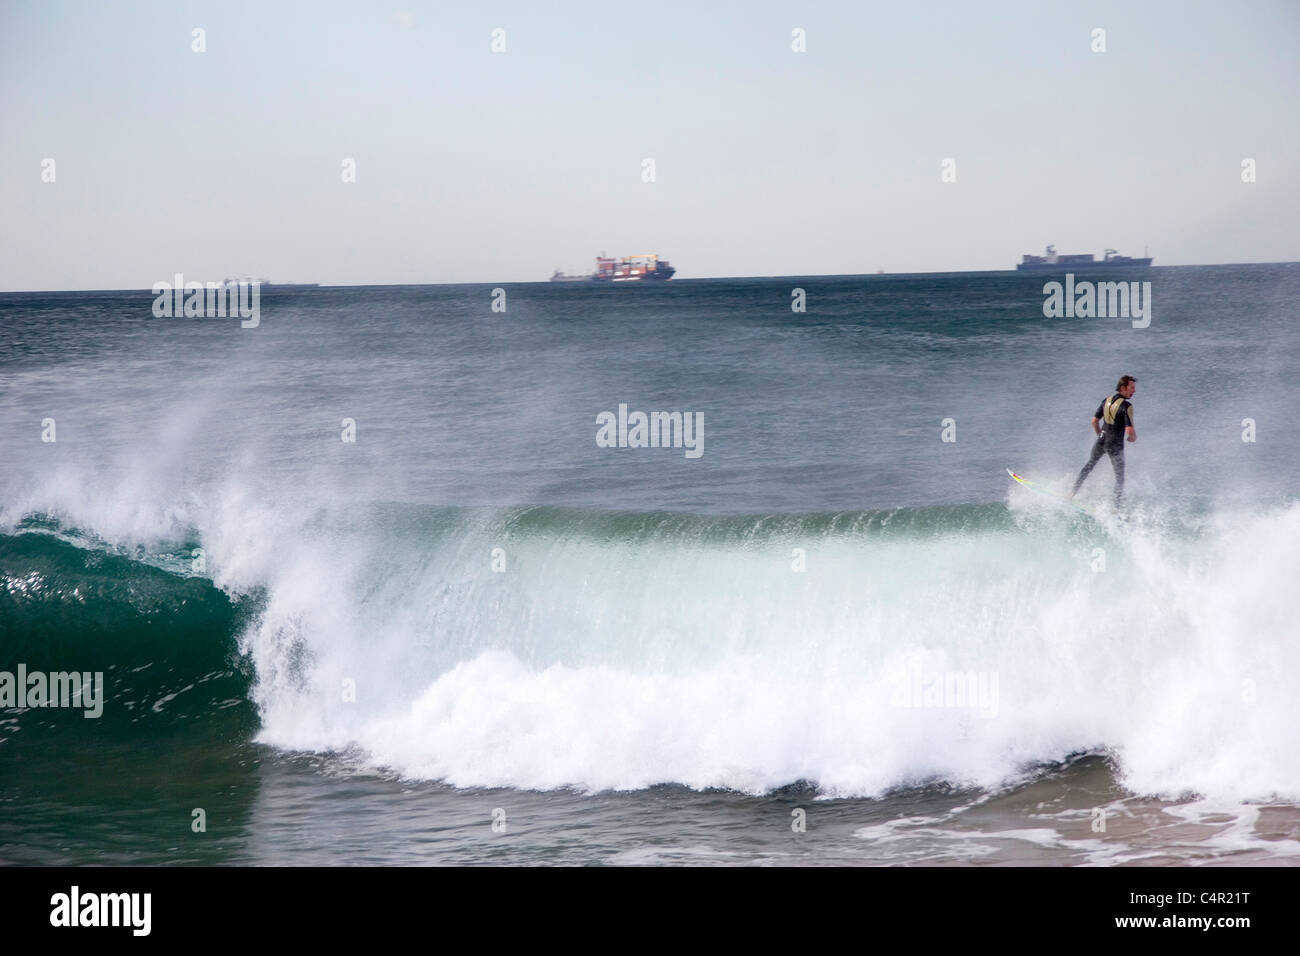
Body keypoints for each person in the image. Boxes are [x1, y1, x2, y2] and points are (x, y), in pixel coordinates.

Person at [1071, 375, 1137, 503]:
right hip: (1115, 445)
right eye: (1132, 388)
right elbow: (1129, 430)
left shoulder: (1106, 400)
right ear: (1123, 388)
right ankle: (1115, 507)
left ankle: (1072, 493)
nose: (1134, 391)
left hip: (1101, 440)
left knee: (1089, 466)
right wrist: (1132, 438)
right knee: (1119, 477)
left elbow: (1094, 421)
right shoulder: (1126, 406)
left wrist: (1100, 436)